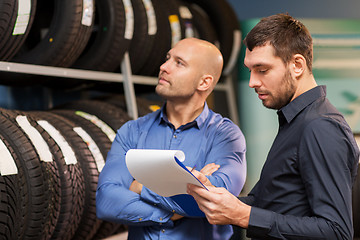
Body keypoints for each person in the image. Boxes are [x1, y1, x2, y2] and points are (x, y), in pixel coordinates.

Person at [187, 13, 360, 240]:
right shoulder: (295, 121)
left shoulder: (320, 127)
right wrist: (218, 199)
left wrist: (244, 216)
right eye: (250, 70)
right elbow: (271, 203)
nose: (252, 82)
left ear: (297, 65)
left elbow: (336, 232)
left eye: (262, 69)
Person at [96, 38, 247, 239]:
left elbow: (214, 202)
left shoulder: (226, 136)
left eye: (179, 63)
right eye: (167, 58)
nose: (163, 67)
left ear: (204, 82)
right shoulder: (132, 131)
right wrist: (173, 209)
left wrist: (140, 187)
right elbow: (107, 202)